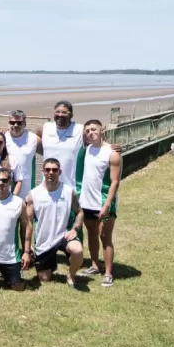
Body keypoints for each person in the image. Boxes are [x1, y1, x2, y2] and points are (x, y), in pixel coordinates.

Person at [26, 159, 84, 287]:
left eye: (54, 170)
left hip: (63, 235)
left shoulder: (69, 192)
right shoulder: (33, 195)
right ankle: (48, 267)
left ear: (60, 172)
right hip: (44, 242)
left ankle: (71, 275)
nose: (51, 172)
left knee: (78, 250)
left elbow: (80, 212)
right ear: (43, 172)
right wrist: (28, 247)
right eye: (47, 170)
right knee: (44, 279)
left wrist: (75, 229)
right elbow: (29, 223)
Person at [78, 119, 122, 288]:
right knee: (91, 234)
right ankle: (95, 265)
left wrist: (107, 205)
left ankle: (108, 272)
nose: (91, 132)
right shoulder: (87, 149)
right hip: (87, 202)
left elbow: (115, 182)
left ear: (102, 129)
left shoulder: (112, 152)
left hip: (103, 202)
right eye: (87, 130)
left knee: (106, 237)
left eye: (94, 129)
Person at [37, 100, 85, 188]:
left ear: (71, 115)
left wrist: (110, 147)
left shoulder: (80, 129)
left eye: (64, 112)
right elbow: (32, 140)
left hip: (71, 185)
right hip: (47, 184)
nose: (60, 115)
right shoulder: (45, 128)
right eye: (57, 112)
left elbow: (96, 142)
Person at [5, 111, 40, 197]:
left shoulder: (33, 138)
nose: (15, 125)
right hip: (6, 190)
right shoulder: (2, 138)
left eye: (19, 123)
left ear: (24, 123)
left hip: (27, 192)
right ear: (8, 124)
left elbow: (49, 153)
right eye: (12, 122)